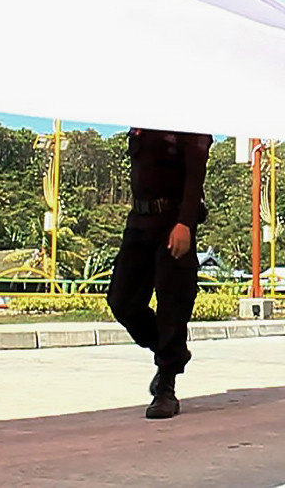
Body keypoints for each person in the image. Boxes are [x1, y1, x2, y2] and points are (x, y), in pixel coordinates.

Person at [106, 128, 211, 419]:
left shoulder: (187, 120)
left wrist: (185, 224)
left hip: (172, 221)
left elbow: (194, 176)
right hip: (138, 221)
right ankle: (172, 354)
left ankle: (166, 387)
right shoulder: (142, 117)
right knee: (121, 300)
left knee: (172, 305)